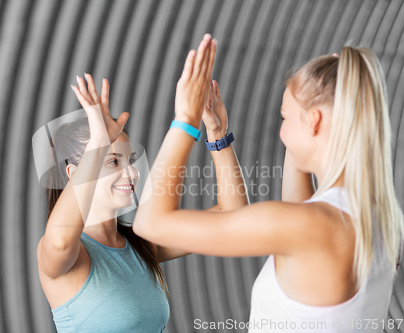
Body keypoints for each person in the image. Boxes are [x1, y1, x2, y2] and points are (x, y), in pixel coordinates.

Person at [133, 33, 404, 332]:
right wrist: (219, 135)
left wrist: (185, 119)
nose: (281, 131)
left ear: (313, 121)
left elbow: (151, 224)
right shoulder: (378, 218)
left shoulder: (312, 226)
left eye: (285, 118)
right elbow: (299, 208)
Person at [36, 72, 247, 333]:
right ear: (74, 174)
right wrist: (99, 144)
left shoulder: (140, 244)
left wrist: (218, 134)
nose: (132, 172)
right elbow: (59, 240)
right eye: (113, 161)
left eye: (131, 160)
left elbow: (233, 217)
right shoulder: (63, 255)